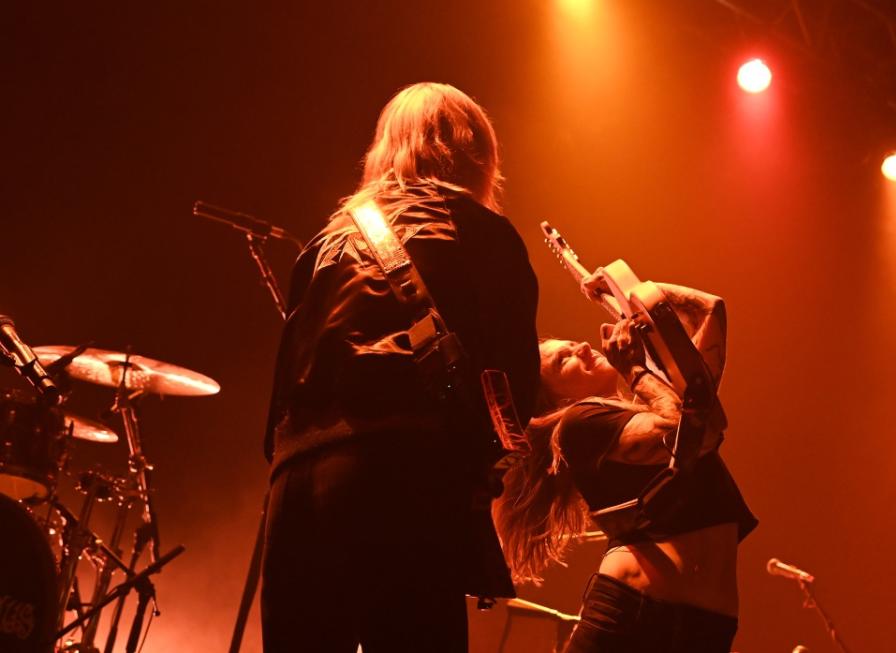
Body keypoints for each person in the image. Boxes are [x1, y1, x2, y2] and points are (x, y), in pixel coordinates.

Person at [260, 82, 540, 652]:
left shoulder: (326, 239)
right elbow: (513, 388)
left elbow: (284, 383)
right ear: (477, 155)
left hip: (296, 483)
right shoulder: (481, 233)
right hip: (402, 470)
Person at [493, 279, 757, 653]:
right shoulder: (579, 424)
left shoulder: (646, 409)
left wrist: (629, 290)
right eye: (562, 359)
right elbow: (685, 430)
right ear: (550, 401)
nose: (583, 346)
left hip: (704, 631)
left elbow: (711, 309)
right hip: (638, 619)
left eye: (571, 344)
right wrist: (636, 370)